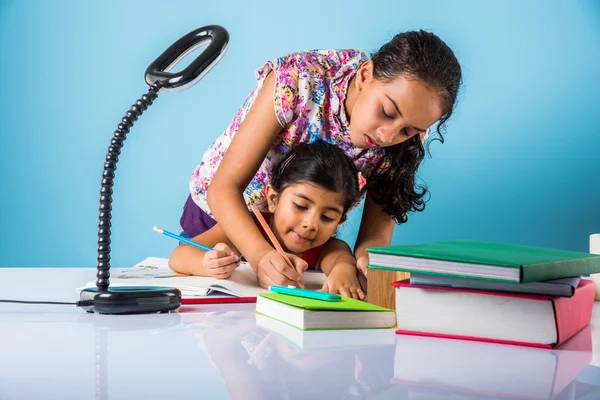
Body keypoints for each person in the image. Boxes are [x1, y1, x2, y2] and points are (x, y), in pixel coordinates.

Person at [180, 30, 462, 289]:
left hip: (302, 240)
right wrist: (260, 257)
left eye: (409, 130)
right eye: (387, 112)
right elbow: (224, 188)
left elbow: (374, 236)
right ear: (365, 75)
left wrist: (368, 266)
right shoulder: (298, 80)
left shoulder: (406, 136)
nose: (388, 135)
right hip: (222, 219)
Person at [171, 140, 366, 298]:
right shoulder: (247, 227)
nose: (311, 224)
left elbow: (342, 259)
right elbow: (179, 256)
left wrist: (344, 272)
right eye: (300, 206)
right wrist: (207, 264)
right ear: (273, 199)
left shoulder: (325, 247)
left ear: (340, 220)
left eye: (327, 217)